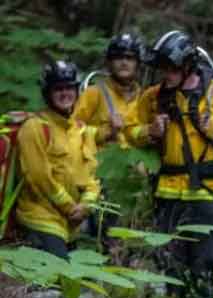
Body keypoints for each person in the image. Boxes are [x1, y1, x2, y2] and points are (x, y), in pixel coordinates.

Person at [124, 30, 213, 298]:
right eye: (163, 68)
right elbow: (129, 129)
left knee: (204, 262)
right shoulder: (154, 97)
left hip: (207, 193)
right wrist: (148, 131)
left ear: (187, 65)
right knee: (170, 262)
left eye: (172, 68)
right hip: (167, 193)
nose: (167, 74)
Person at [15, 61, 100, 259]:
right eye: (58, 89)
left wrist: (86, 205)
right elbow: (38, 177)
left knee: (72, 284)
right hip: (40, 219)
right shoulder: (34, 128)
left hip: (71, 223)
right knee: (56, 283)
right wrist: (70, 207)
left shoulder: (81, 130)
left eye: (69, 88)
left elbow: (92, 177)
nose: (65, 94)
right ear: (48, 93)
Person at [73, 33, 144, 148]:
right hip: (101, 163)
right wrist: (105, 132)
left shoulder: (144, 97)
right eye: (118, 57)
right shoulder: (94, 93)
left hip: (134, 164)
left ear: (138, 64)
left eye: (129, 58)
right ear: (109, 62)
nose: (124, 62)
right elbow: (72, 128)